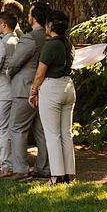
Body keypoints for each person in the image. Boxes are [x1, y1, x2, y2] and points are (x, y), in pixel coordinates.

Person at [31, 10, 77, 184]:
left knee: (52, 134)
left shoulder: (51, 45)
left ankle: (56, 175)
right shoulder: (68, 44)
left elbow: (40, 73)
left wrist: (33, 91)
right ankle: (68, 174)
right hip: (68, 87)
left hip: (52, 87)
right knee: (66, 133)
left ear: (50, 25)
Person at [8, 2, 52, 179]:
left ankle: (20, 168)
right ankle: (44, 167)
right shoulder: (50, 38)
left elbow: (15, 62)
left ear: (34, 18)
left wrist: (8, 72)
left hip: (25, 88)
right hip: (45, 88)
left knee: (17, 127)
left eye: (30, 13)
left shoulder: (30, 38)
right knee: (41, 130)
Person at [0, 11, 24, 178]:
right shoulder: (20, 41)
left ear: (4, 25)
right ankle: (14, 163)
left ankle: (6, 166)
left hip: (2, 90)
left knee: (1, 129)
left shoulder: (2, 44)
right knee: (13, 129)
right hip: (16, 89)